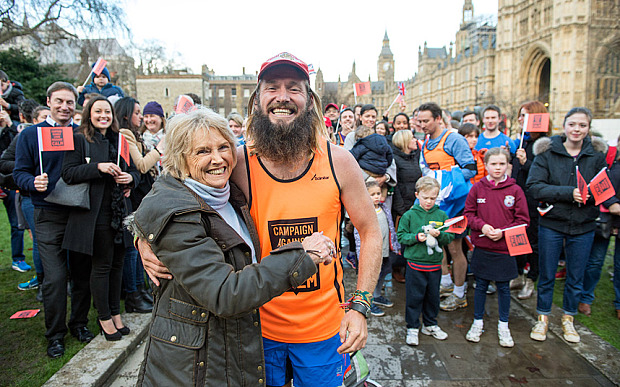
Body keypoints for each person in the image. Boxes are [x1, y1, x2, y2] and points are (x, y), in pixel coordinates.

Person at [140, 52, 382, 387]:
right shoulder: (235, 161)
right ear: (257, 101)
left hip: (324, 330)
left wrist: (360, 306)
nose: (283, 96)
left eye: (294, 88)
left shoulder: (338, 162)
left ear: (310, 101)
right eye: (272, 87)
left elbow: (371, 231)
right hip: (255, 330)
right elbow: (170, 191)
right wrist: (142, 236)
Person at [129, 107, 334, 386]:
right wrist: (303, 255)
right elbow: (226, 293)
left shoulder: (227, 193)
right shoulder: (179, 212)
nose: (218, 159)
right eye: (202, 151)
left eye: (224, 147)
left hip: (231, 345)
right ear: (180, 159)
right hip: (195, 364)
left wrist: (142, 234)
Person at [14, 82, 94, 358]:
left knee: (82, 274)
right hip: (47, 214)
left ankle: (80, 324)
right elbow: (18, 171)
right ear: (48, 101)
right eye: (59, 101)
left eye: (70, 102)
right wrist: (31, 181)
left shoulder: (83, 134)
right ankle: (55, 334)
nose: (64, 107)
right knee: (56, 278)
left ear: (76, 104)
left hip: (80, 212)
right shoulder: (30, 136)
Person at [527, 107, 608, 343]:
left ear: (588, 129)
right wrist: (568, 193)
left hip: (583, 225)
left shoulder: (595, 155)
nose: (577, 129)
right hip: (552, 223)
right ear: (564, 126)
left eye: (582, 125)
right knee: (547, 274)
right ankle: (542, 318)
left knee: (576, 275)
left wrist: (590, 196)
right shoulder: (547, 152)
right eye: (572, 124)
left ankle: (568, 319)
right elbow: (534, 186)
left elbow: (603, 187)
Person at [62, 95, 139, 340]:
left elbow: (135, 170)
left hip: (119, 211)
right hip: (95, 215)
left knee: (118, 265)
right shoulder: (79, 139)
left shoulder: (120, 139)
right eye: (98, 112)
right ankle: (104, 316)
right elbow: (68, 173)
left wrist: (131, 179)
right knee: (102, 266)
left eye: (107, 112)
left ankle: (116, 313)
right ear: (89, 114)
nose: (103, 116)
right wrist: (98, 168)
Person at [463, 147, 529, 347]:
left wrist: (504, 232)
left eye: (502, 164)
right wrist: (482, 225)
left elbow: (523, 220)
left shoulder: (515, 190)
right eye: (493, 164)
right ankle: (477, 322)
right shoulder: (477, 188)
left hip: (505, 248)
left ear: (508, 165)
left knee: (503, 288)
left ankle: (503, 325)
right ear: (486, 165)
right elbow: (469, 213)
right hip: (483, 246)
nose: (497, 168)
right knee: (481, 286)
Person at [417, 102, 476, 312]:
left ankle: (460, 293)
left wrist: (446, 180)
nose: (422, 124)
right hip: (436, 204)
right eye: (420, 121)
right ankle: (446, 283)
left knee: (454, 248)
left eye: (426, 121)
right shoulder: (425, 142)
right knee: (437, 243)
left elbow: (471, 168)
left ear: (438, 119)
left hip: (456, 203)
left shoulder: (453, 139)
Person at [397, 176, 454, 346]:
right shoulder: (409, 215)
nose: (429, 201)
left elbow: (449, 237)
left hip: (434, 265)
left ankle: (430, 324)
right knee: (414, 297)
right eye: (425, 197)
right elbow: (401, 236)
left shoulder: (442, 215)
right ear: (417, 195)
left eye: (433, 198)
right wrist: (416, 237)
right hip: (415, 264)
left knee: (433, 297)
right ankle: (413, 327)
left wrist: (440, 235)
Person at [115, 97, 153, 313]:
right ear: (126, 114)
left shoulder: (134, 135)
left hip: (138, 191)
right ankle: (134, 293)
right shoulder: (125, 134)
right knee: (132, 247)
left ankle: (141, 290)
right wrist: (159, 149)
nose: (141, 117)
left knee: (139, 246)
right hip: (133, 198)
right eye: (138, 112)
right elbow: (141, 165)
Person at [510, 101, 550, 299]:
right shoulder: (522, 141)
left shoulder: (544, 145)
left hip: (533, 202)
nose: (520, 119)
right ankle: (517, 274)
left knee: (532, 242)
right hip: (517, 199)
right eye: (519, 115)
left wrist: (526, 163)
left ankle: (530, 279)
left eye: (524, 116)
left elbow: (545, 174)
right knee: (517, 238)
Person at [579, 134, 620, 319]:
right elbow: (597, 181)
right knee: (595, 261)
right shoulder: (608, 158)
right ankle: (586, 297)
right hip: (604, 218)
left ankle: (619, 302)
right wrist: (612, 203)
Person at [354, 178, 400, 317]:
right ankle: (368, 301)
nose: (376, 197)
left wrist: (394, 244)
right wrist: (360, 252)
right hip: (371, 253)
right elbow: (358, 234)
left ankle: (377, 295)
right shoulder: (364, 212)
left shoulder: (384, 208)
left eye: (378, 194)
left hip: (384, 250)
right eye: (372, 194)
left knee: (383, 273)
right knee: (371, 276)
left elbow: (390, 226)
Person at [0, 107, 27, 272]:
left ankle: (18, 258)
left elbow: (15, 150)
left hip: (11, 183)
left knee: (16, 223)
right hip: (3, 180)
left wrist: (9, 125)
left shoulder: (15, 130)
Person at [350, 124, 393, 189]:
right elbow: (390, 156)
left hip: (367, 171)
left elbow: (352, 156)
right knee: (381, 192)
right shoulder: (383, 143)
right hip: (381, 173)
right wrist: (385, 165)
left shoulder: (363, 145)